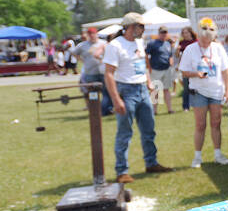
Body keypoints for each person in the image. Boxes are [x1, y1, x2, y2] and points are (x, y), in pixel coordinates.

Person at [104, 12, 173, 183]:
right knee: (125, 132)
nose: (143, 29)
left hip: (142, 89)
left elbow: (143, 65)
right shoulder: (115, 45)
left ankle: (151, 163)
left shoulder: (139, 42)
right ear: (130, 27)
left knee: (149, 129)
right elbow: (109, 74)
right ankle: (122, 171)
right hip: (126, 91)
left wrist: (148, 82)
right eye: (140, 26)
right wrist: (116, 99)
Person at [178, 17, 228, 167]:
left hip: (216, 91)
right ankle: (197, 157)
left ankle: (218, 154)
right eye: (204, 38)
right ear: (200, 35)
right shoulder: (191, 49)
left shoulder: (218, 48)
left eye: (210, 38)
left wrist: (227, 90)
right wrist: (196, 74)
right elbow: (183, 71)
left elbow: (225, 71)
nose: (207, 41)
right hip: (199, 91)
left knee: (216, 123)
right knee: (200, 125)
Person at [73, 26, 112, 116]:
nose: (91, 36)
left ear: (96, 34)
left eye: (93, 34)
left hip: (103, 72)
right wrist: (82, 60)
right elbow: (74, 53)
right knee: (93, 93)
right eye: (89, 34)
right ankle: (94, 110)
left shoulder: (103, 43)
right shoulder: (83, 45)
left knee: (106, 92)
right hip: (90, 73)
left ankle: (107, 109)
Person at [146, 26, 177, 115]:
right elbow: (146, 55)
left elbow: (170, 54)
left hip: (166, 69)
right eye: (162, 32)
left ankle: (170, 109)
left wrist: (171, 61)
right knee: (155, 90)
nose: (164, 34)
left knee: (166, 89)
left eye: (165, 33)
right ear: (159, 33)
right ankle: (154, 110)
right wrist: (149, 67)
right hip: (156, 69)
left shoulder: (167, 43)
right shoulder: (152, 43)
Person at [174, 26, 197, 113]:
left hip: (195, 68)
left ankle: (197, 104)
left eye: (186, 32)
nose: (185, 34)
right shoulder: (181, 43)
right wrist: (177, 50)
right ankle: (185, 106)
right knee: (186, 88)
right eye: (183, 33)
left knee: (196, 87)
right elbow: (177, 56)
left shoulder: (196, 42)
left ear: (191, 33)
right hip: (186, 68)